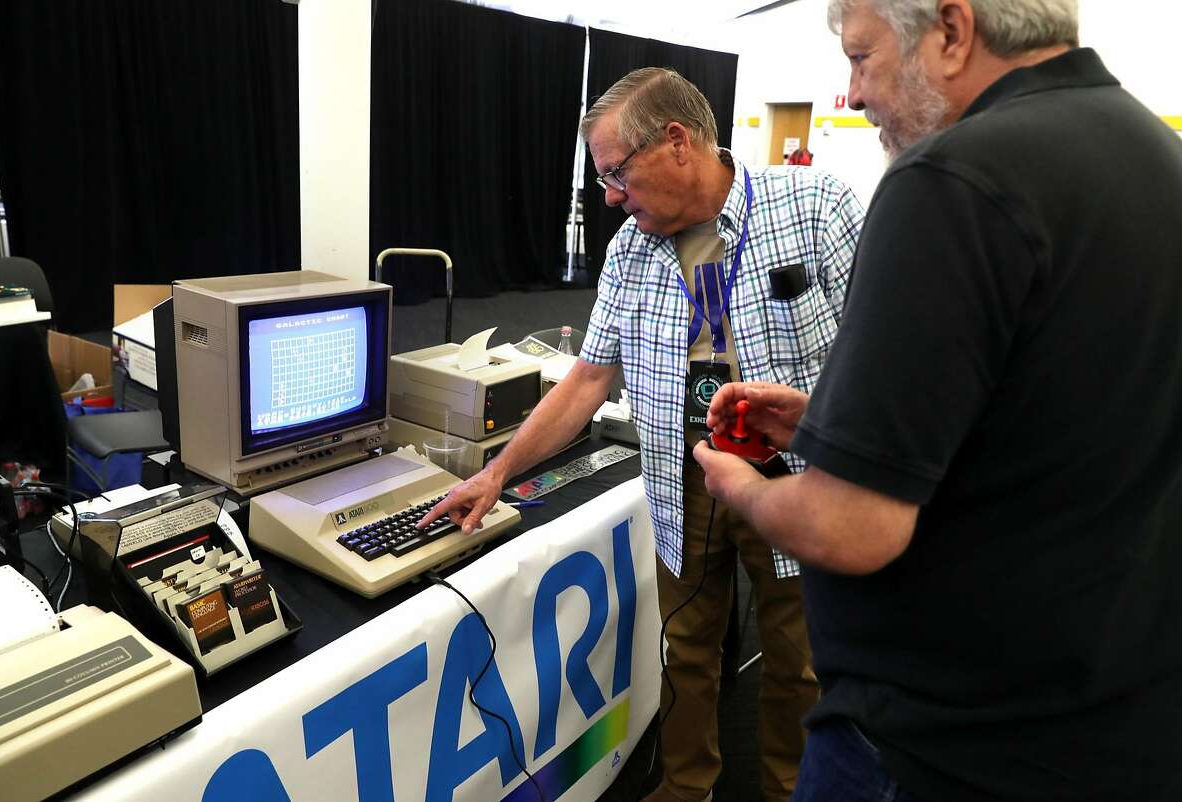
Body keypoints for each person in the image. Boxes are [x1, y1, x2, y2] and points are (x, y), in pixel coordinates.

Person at [694, 1, 1182, 800]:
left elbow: (853, 529)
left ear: (951, 32)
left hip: (936, 744)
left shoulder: (951, 179)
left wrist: (740, 486)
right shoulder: (1157, 154)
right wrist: (830, 419)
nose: (850, 95)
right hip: (1104, 721)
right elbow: (1042, 414)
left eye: (860, 57)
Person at [421, 67, 864, 801]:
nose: (611, 197)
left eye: (616, 174)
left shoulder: (818, 208)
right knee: (687, 650)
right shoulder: (631, 248)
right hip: (683, 481)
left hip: (797, 484)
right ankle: (686, 788)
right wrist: (497, 473)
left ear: (677, 142)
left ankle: (792, 790)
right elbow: (589, 378)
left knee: (799, 661)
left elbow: (883, 357)